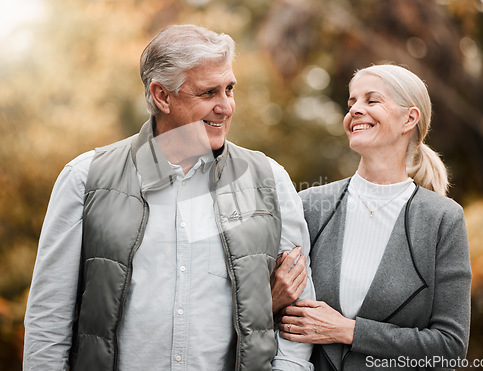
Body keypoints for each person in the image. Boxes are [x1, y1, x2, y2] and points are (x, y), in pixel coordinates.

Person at [23, 24, 315, 371]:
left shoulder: (270, 180)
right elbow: (49, 318)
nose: (225, 107)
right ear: (162, 96)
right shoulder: (84, 178)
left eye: (229, 89)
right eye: (208, 93)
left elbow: (299, 312)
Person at [275, 64, 472, 370]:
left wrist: (347, 331)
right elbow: (276, 311)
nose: (355, 110)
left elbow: (450, 348)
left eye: (371, 100)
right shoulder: (309, 205)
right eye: (351, 102)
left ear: (410, 118)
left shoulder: (442, 219)